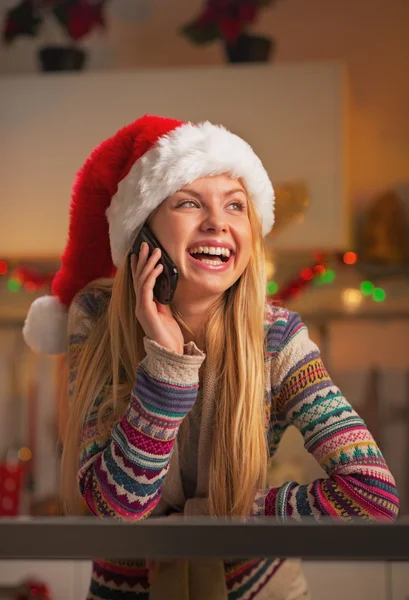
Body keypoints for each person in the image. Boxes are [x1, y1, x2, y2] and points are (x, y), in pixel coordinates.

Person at [23, 115, 399, 600]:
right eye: (188, 202)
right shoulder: (95, 320)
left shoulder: (279, 339)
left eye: (236, 206)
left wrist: (225, 517)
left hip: (259, 590)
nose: (218, 222)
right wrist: (166, 368)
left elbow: (372, 494)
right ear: (144, 232)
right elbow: (113, 513)